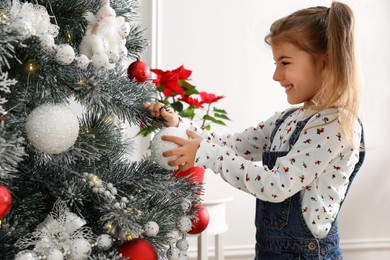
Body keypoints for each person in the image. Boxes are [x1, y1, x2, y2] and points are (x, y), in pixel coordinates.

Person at [144, 2, 365, 259]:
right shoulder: (288, 119)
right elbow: (235, 144)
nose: (276, 75)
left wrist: (208, 155)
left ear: (326, 62)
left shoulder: (334, 125)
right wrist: (181, 126)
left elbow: (277, 184)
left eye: (284, 62)